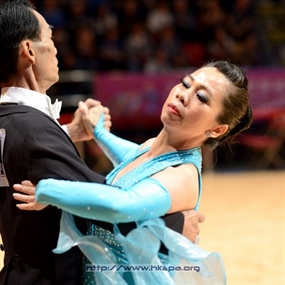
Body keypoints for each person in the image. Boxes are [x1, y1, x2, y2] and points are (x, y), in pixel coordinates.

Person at [0, 1, 204, 284]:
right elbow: (101, 201)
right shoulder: (33, 131)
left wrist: (75, 133)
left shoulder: (9, 121)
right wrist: (174, 229)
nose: (56, 47)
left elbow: (24, 153)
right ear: (29, 51)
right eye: (50, 37)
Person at [14, 60, 253, 284]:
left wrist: (47, 190)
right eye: (186, 83)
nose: (184, 95)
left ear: (217, 129)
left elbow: (122, 204)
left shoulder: (182, 175)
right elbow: (131, 160)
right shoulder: (152, 147)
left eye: (201, 97)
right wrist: (98, 131)